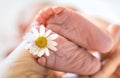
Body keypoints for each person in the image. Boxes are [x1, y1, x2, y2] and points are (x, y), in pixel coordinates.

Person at [0, 6, 117, 78]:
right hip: (53, 52)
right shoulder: (13, 46)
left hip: (51, 47)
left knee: (81, 22)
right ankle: (104, 38)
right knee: (106, 34)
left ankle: (97, 34)